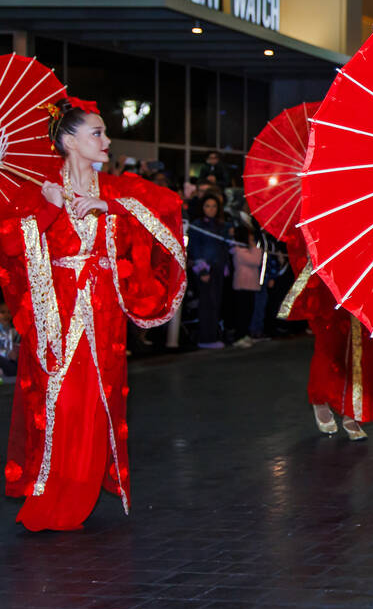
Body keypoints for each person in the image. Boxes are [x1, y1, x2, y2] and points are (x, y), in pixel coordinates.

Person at [0, 97, 185, 531]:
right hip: (57, 311)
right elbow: (9, 246)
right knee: (59, 401)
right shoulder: (42, 187)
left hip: (102, 309)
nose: (106, 140)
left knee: (94, 403)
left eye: (104, 132)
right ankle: (51, 495)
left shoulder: (115, 189)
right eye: (97, 133)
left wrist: (110, 207)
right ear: (69, 141)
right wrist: (49, 208)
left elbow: (169, 206)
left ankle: (79, 495)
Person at [278, 232, 373, 440]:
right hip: (328, 284)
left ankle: (352, 413)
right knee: (329, 348)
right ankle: (320, 398)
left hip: (362, 283)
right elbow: (301, 240)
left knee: (361, 353)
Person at [187, 193, 230, 348]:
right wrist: (202, 271)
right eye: (207, 206)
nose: (211, 209)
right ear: (202, 208)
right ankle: (206, 339)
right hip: (205, 269)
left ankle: (212, 336)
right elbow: (194, 249)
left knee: (215, 303)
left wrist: (225, 265)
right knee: (207, 304)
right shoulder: (197, 225)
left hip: (219, 269)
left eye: (214, 206)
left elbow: (224, 247)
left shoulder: (221, 225)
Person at [229, 225, 264, 348]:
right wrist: (255, 247)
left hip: (250, 285)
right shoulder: (238, 250)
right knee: (242, 312)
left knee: (248, 311)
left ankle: (244, 334)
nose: (251, 238)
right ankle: (239, 336)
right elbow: (256, 261)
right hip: (242, 285)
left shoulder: (246, 250)